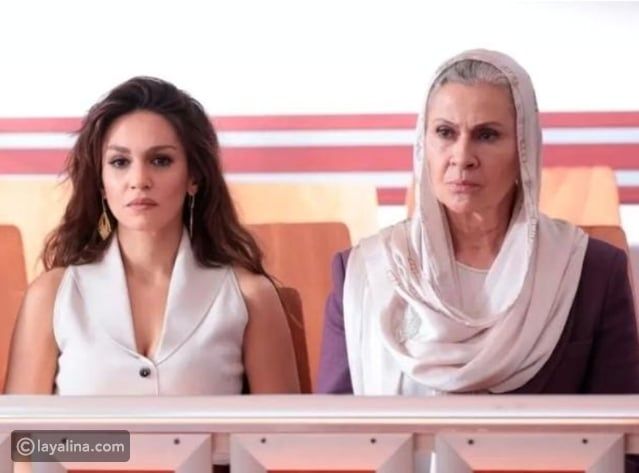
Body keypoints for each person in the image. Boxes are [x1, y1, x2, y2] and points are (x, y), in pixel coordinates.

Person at [317, 49, 639, 396]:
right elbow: (331, 426)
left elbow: (623, 426)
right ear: (423, 145)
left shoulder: (588, 272)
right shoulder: (366, 272)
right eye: (445, 132)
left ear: (524, 149)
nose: (462, 157)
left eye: (487, 135)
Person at [6, 76, 300, 396]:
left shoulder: (251, 296)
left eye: (160, 161)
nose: (139, 179)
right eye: (120, 162)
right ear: (101, 183)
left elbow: (281, 428)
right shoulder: (52, 297)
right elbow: (21, 430)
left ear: (194, 177)